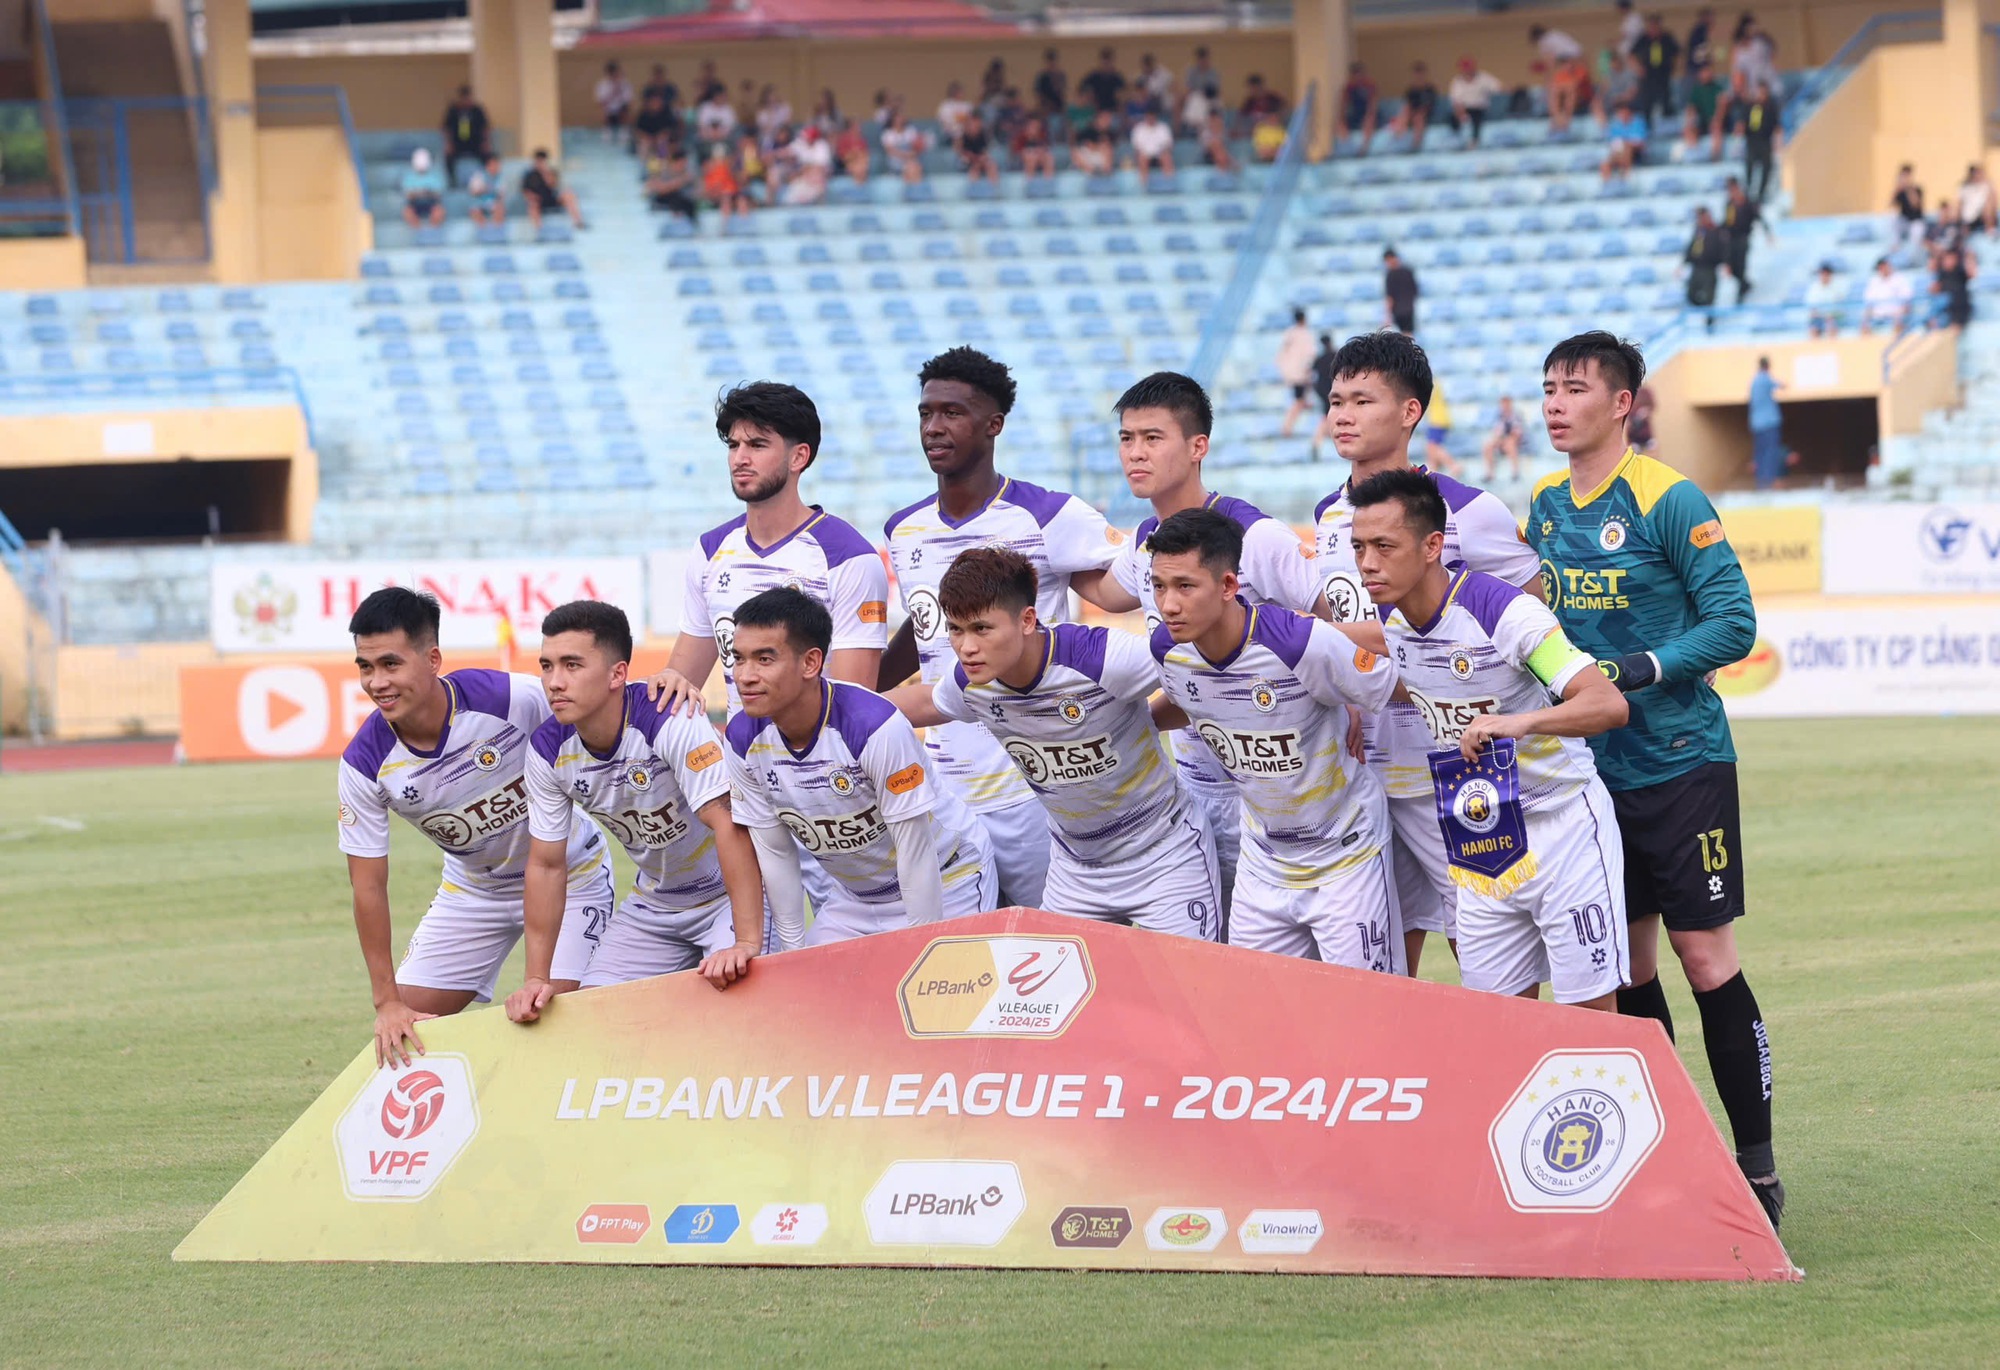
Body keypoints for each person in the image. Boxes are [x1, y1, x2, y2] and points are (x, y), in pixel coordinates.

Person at [1526, 330, 1783, 1232]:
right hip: (1589, 781)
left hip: (1682, 766)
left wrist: (1636, 668)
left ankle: (1756, 1170)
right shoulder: (1546, 506)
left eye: (1576, 388)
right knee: (1627, 970)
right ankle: (1678, 1160)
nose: (1556, 402)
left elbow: (1735, 623)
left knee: (1704, 958)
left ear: (1622, 403)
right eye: (1548, 387)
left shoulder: (1668, 499)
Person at [1348, 467, 1630, 1009]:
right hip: (1479, 836)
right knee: (1500, 1022)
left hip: (1561, 826)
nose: (1367, 563)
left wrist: (1516, 723)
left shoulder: (1503, 610)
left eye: (1384, 546)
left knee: (1593, 1020)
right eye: (1359, 547)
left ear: (1433, 545)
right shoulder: (1394, 620)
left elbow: (1605, 702)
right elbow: (1417, 677)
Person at [1313, 333, 1542, 975]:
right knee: (1382, 959)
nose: (1343, 416)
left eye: (1363, 399)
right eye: (1336, 401)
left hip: (1457, 769)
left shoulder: (1472, 510)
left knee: (1485, 948)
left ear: (1410, 413)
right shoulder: (1330, 513)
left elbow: (1531, 610)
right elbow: (1336, 618)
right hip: (1361, 774)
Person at [879, 347, 1129, 909]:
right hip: (947, 789)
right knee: (961, 956)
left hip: (1037, 786)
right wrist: (861, 692)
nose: (934, 427)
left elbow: (1125, 591)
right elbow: (921, 628)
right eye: (926, 413)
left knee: (1054, 953)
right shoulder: (905, 529)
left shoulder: (1049, 516)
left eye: (952, 413)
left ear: (993, 425)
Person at [337, 587, 615, 1069]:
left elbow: (604, 725)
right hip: (473, 894)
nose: (377, 682)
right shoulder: (364, 763)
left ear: (432, 659)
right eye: (365, 667)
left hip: (570, 879)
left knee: (555, 1018)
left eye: (390, 664)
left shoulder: (511, 699)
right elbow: (367, 886)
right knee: (403, 1037)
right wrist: (387, 1004)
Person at [887, 548, 1221, 938]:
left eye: (982, 628)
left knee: (1186, 992)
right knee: (1052, 999)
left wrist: (1150, 721)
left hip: (1165, 857)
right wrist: (833, 706)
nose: (966, 647)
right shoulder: (971, 682)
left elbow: (1205, 676)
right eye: (956, 630)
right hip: (1075, 872)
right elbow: (926, 701)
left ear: (1027, 620)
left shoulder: (1103, 659)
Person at [1093, 372, 1327, 920]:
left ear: (1198, 447)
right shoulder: (1142, 544)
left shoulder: (1257, 537)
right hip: (1197, 788)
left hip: (1283, 792)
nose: (1135, 453)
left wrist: (1353, 705)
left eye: (1153, 438)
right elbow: (1105, 593)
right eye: (1127, 438)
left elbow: (1334, 623)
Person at [1145, 509, 1403, 970]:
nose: (1168, 605)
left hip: (1345, 856)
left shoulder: (1299, 641)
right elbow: (1190, 702)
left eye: (1185, 586)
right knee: (1255, 1022)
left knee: (1367, 1018)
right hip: (1263, 862)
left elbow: (1393, 685)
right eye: (1159, 586)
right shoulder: (1168, 650)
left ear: (1227, 587)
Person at [506, 601, 764, 1025]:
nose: (554, 682)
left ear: (617, 674)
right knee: (599, 1021)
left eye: (572, 665)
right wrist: (537, 977)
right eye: (547, 666)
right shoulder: (547, 748)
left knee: (735, 1013)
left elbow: (729, 824)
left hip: (728, 896)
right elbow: (547, 865)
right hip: (656, 902)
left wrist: (746, 939)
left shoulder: (668, 716)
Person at [726, 589, 995, 948]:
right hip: (855, 901)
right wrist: (790, 953)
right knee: (811, 996)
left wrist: (925, 950)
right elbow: (776, 853)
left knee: (932, 995)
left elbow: (915, 851)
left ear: (810, 663)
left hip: (947, 880)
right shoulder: (741, 738)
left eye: (763, 659)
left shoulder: (874, 727)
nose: (745, 676)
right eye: (738, 659)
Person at [654, 382, 887, 716]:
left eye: (757, 445)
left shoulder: (848, 557)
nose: (740, 458)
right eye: (734, 446)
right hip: (738, 766)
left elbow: (855, 706)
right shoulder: (710, 550)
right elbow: (678, 685)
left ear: (799, 456)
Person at [1721, 176, 1772, 303]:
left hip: (1743, 238)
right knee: (1732, 268)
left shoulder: (1747, 202)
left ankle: (1741, 294)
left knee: (1741, 265)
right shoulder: (1730, 204)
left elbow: (1758, 217)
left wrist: (1767, 232)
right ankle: (1744, 284)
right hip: (1731, 240)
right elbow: (1727, 222)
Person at [1633, 11, 1680, 127]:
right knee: (1647, 102)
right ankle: (1647, 125)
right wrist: (1638, 68)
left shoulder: (1666, 38)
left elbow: (1678, 52)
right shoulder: (1644, 39)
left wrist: (1674, 66)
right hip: (1648, 76)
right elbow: (1631, 54)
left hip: (1663, 74)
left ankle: (1668, 127)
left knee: (1666, 100)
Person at [1746, 357, 1787, 489]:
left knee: (1760, 452)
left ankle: (1761, 481)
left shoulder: (1754, 381)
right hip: (1769, 422)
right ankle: (1770, 480)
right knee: (1771, 452)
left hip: (1756, 423)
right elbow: (1781, 385)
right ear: (1768, 366)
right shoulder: (1765, 379)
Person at [522, 149, 586, 231]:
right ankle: (538, 229)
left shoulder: (550, 172)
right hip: (538, 201)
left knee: (569, 195)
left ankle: (578, 222)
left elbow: (555, 186)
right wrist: (532, 196)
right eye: (539, 161)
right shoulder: (529, 175)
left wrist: (546, 175)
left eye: (542, 161)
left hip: (551, 198)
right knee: (532, 204)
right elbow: (525, 191)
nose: (540, 163)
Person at [1447, 57, 1505, 148]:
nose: (1467, 71)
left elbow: (1499, 87)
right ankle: (1456, 141)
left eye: (1469, 67)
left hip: (1480, 108)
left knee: (1476, 117)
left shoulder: (1483, 77)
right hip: (1464, 108)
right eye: (1465, 68)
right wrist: (1461, 113)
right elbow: (1456, 101)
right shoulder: (1457, 81)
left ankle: (1474, 141)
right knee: (1452, 117)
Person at [1740, 80, 1782, 202]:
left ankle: (1761, 193)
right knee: (1750, 165)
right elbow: (1743, 124)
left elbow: (1776, 126)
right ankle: (1748, 191)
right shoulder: (1750, 106)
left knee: (1767, 166)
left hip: (1765, 141)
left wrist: (1778, 142)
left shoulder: (1771, 107)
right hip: (1752, 141)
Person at [1277, 308, 1317, 437]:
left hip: (1290, 372)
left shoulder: (1289, 333)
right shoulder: (1305, 334)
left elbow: (1282, 354)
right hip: (1300, 373)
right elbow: (1310, 355)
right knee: (1298, 401)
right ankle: (1287, 427)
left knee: (1301, 399)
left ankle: (1289, 425)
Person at [440, 87, 491, 187]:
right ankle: (452, 182)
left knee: (487, 156)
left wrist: (485, 142)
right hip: (458, 144)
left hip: (475, 143)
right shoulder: (453, 110)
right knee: (448, 158)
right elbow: (445, 128)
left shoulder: (477, 110)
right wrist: (448, 143)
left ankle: (487, 179)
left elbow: (485, 128)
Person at [1680, 59, 1729, 162]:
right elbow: (1691, 108)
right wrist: (1690, 121)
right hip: (1702, 123)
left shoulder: (1717, 88)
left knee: (1716, 129)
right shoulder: (1697, 90)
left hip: (1715, 123)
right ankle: (1693, 158)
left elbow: (1722, 107)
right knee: (1689, 129)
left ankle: (1715, 158)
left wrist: (1716, 119)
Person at [1684, 206, 1726, 313]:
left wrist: (1726, 263)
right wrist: (1685, 261)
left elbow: (1725, 249)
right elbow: (1692, 247)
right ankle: (1702, 309)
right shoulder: (1698, 231)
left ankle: (1709, 319)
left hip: (1709, 268)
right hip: (1697, 267)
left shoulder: (1717, 231)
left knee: (1709, 294)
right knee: (1691, 295)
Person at [1861, 256, 1913, 336]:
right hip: (1878, 315)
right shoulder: (1874, 281)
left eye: (1885, 266)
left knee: (1899, 319)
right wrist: (1866, 319)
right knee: (1864, 319)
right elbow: (1869, 302)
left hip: (1896, 313)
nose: (1884, 269)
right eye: (1881, 267)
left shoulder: (1900, 279)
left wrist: (1901, 312)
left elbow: (1906, 300)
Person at [1393, 62, 1439, 147]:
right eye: (1417, 73)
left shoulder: (1430, 89)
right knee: (1404, 113)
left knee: (1419, 117)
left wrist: (1418, 113)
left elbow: (1429, 106)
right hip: (1412, 113)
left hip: (1425, 114)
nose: (1419, 76)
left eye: (1420, 73)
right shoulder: (1410, 90)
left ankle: (1416, 144)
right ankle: (1397, 142)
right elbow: (1407, 104)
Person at [1422, 378, 1461, 477]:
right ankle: (1433, 471)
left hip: (1437, 419)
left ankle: (1454, 466)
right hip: (1438, 418)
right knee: (1430, 448)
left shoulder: (1430, 383)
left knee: (1433, 446)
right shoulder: (1434, 382)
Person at [1308, 331, 1338, 460]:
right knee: (1329, 417)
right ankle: (1317, 442)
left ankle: (1318, 441)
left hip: (1322, 390)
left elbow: (1311, 375)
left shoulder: (1319, 358)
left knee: (1328, 416)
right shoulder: (1337, 356)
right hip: (1334, 390)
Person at [1338, 61, 1379, 155]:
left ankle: (1364, 149)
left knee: (1369, 121)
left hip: (1368, 113)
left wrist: (1369, 116)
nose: (1358, 77)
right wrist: (1342, 120)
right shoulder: (1349, 87)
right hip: (1356, 114)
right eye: (1356, 74)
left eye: (1360, 74)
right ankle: (1347, 150)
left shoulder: (1370, 86)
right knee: (1340, 124)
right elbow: (1343, 105)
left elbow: (1373, 105)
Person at [1602, 100, 1648, 183]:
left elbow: (1641, 143)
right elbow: (1613, 144)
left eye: (1623, 112)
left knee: (1627, 148)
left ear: (1629, 112)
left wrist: (1626, 143)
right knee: (1605, 163)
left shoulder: (1638, 122)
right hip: (1619, 153)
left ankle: (1625, 180)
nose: (1621, 115)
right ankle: (1606, 185)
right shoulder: (1615, 125)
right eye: (1620, 113)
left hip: (1636, 154)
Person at [1932, 244, 1976, 331]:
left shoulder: (1960, 272)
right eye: (1946, 258)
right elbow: (1934, 290)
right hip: (1944, 309)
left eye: (1951, 258)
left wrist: (1969, 257)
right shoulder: (1941, 273)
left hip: (1959, 309)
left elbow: (1972, 274)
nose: (1948, 261)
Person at [700, 147, 750, 221]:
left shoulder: (727, 168)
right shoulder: (709, 174)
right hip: (720, 197)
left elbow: (738, 183)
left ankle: (744, 223)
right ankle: (725, 226)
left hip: (732, 193)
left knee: (742, 200)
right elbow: (708, 191)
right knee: (726, 200)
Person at [400, 148, 445, 230]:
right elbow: (408, 195)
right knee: (407, 212)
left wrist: (423, 193)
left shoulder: (435, 176)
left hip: (431, 203)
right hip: (414, 204)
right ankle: (418, 233)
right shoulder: (408, 177)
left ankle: (432, 233)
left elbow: (438, 194)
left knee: (439, 212)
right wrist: (422, 193)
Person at [1483, 395, 1525, 481]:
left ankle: (1515, 472)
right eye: (1502, 404)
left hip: (1515, 442)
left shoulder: (1516, 416)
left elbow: (1517, 434)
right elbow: (1497, 432)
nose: (1504, 406)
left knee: (1510, 443)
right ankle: (1489, 473)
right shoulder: (1499, 416)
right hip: (1502, 441)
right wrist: (1498, 440)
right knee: (1488, 445)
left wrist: (1504, 439)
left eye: (1506, 404)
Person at [1129, 107, 1175, 186]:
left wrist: (1163, 151)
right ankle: (1144, 187)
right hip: (1145, 155)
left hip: (1160, 154)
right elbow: (1136, 147)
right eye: (1148, 117)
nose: (1150, 119)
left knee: (1167, 157)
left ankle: (1169, 184)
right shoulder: (1138, 129)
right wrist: (1142, 153)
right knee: (1141, 158)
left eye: (1152, 117)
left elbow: (1169, 145)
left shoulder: (1163, 128)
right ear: (1145, 117)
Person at [880, 110, 928, 183]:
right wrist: (905, 155)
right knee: (895, 163)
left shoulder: (911, 130)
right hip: (896, 158)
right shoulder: (888, 133)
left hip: (910, 157)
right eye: (897, 118)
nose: (900, 120)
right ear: (893, 120)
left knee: (916, 164)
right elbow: (889, 150)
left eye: (901, 118)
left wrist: (913, 153)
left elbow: (917, 146)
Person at [1080, 48, 1127, 120]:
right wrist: (1090, 100)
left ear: (1112, 62)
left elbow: (1123, 94)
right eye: (1104, 62)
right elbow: (1082, 89)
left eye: (1108, 62)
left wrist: (1120, 105)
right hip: (1096, 111)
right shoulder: (1093, 76)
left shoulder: (1117, 77)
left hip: (1113, 111)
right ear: (1100, 61)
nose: (1106, 65)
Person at [595, 62, 635, 146]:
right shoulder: (602, 84)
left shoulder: (625, 84)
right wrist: (613, 91)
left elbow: (629, 100)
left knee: (626, 111)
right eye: (613, 73)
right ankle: (607, 134)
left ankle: (624, 134)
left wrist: (620, 89)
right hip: (608, 108)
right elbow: (601, 102)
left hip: (621, 108)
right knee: (602, 112)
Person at [1383, 248, 1419, 335]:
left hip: (1399, 311)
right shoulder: (1408, 271)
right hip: (1409, 309)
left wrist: (1387, 316)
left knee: (1404, 336)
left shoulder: (1390, 275)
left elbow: (1390, 298)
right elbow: (1415, 291)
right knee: (1408, 335)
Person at [958, 114, 999, 184]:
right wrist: (975, 159)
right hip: (969, 161)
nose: (975, 126)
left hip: (981, 160)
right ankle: (973, 188)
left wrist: (981, 159)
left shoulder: (983, 136)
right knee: (975, 168)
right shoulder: (964, 137)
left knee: (992, 165)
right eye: (972, 124)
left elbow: (985, 152)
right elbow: (963, 153)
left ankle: (994, 188)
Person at [466, 154, 505, 227]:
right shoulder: (478, 176)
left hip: (493, 203)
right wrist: (484, 190)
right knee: (476, 211)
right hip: (479, 202)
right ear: (488, 165)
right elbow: (473, 192)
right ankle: (482, 234)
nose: (496, 167)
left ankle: (497, 233)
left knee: (499, 209)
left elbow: (501, 194)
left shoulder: (501, 178)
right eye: (493, 164)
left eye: (497, 165)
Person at [1073, 110, 1116, 175]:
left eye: (1109, 119)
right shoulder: (1088, 131)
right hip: (1087, 160)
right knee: (1076, 152)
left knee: (1107, 149)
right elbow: (1084, 146)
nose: (1107, 121)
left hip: (1101, 159)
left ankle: (1104, 173)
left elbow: (1109, 148)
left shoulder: (1111, 133)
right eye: (1105, 119)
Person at [1892, 164, 1927, 245]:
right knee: (1892, 219)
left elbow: (1915, 204)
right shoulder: (1900, 191)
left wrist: (1908, 187)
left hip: (1916, 221)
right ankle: (1895, 245)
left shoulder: (1917, 189)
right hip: (1905, 221)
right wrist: (1897, 188)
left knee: (1917, 232)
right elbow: (1891, 204)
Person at [1804, 262, 1842, 336]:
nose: (1825, 276)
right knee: (1813, 329)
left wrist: (1831, 316)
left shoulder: (1836, 288)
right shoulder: (1814, 288)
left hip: (1832, 318)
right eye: (1823, 274)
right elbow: (1811, 309)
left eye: (1827, 274)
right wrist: (1822, 315)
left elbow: (1839, 307)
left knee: (1832, 327)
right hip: (1818, 318)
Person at [1014, 115, 1055, 179]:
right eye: (1033, 126)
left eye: (1037, 126)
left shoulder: (1042, 134)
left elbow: (1046, 147)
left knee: (1049, 157)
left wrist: (1040, 150)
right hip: (1024, 158)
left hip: (1040, 156)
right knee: (1031, 156)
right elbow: (1017, 150)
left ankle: (1048, 180)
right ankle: (1030, 180)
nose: (1035, 128)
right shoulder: (1021, 135)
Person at [1958, 164, 1996, 234]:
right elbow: (1960, 204)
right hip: (1969, 217)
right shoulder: (1965, 187)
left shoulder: (1986, 186)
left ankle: (1990, 229)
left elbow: (1993, 200)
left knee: (1988, 206)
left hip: (1981, 215)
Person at [1033, 47, 1068, 118]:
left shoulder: (1061, 75)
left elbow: (1062, 92)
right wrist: (1042, 107)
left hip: (1058, 107)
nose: (1052, 63)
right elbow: (1038, 93)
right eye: (1050, 61)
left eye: (1053, 60)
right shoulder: (1041, 76)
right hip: (1045, 107)